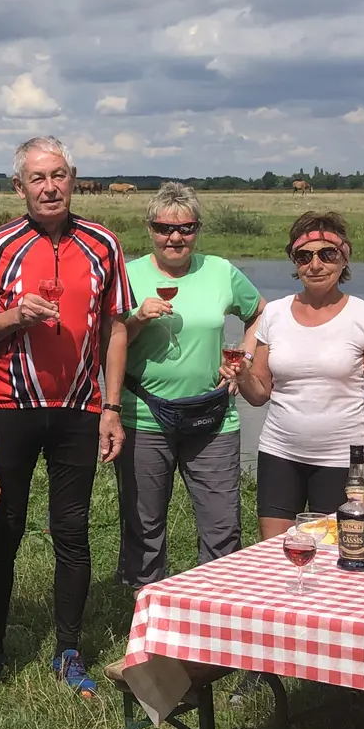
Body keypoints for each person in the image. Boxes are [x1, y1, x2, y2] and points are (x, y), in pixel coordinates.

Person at [0, 136, 131, 697]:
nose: (50, 187)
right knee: (5, 527)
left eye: (58, 175)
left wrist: (111, 406)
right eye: (37, 178)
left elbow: (114, 327)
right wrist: (13, 315)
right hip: (12, 405)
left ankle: (69, 648)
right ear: (19, 187)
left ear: (73, 179)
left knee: (72, 530)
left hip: (81, 408)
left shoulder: (103, 243)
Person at [116, 184, 265, 585]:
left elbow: (260, 315)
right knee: (143, 526)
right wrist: (138, 318)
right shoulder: (127, 275)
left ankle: (214, 616)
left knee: (222, 527)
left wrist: (243, 360)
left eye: (186, 228)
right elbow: (106, 343)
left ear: (197, 230)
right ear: (150, 229)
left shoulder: (220, 271)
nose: (175, 238)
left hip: (213, 418)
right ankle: (146, 617)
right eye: (165, 228)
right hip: (144, 415)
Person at [238, 212, 364, 543]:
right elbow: (259, 393)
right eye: (304, 256)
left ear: (344, 257)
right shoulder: (275, 314)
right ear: (294, 261)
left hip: (344, 460)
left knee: (340, 552)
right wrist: (240, 375)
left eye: (327, 255)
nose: (316, 265)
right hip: (280, 452)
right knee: (276, 553)